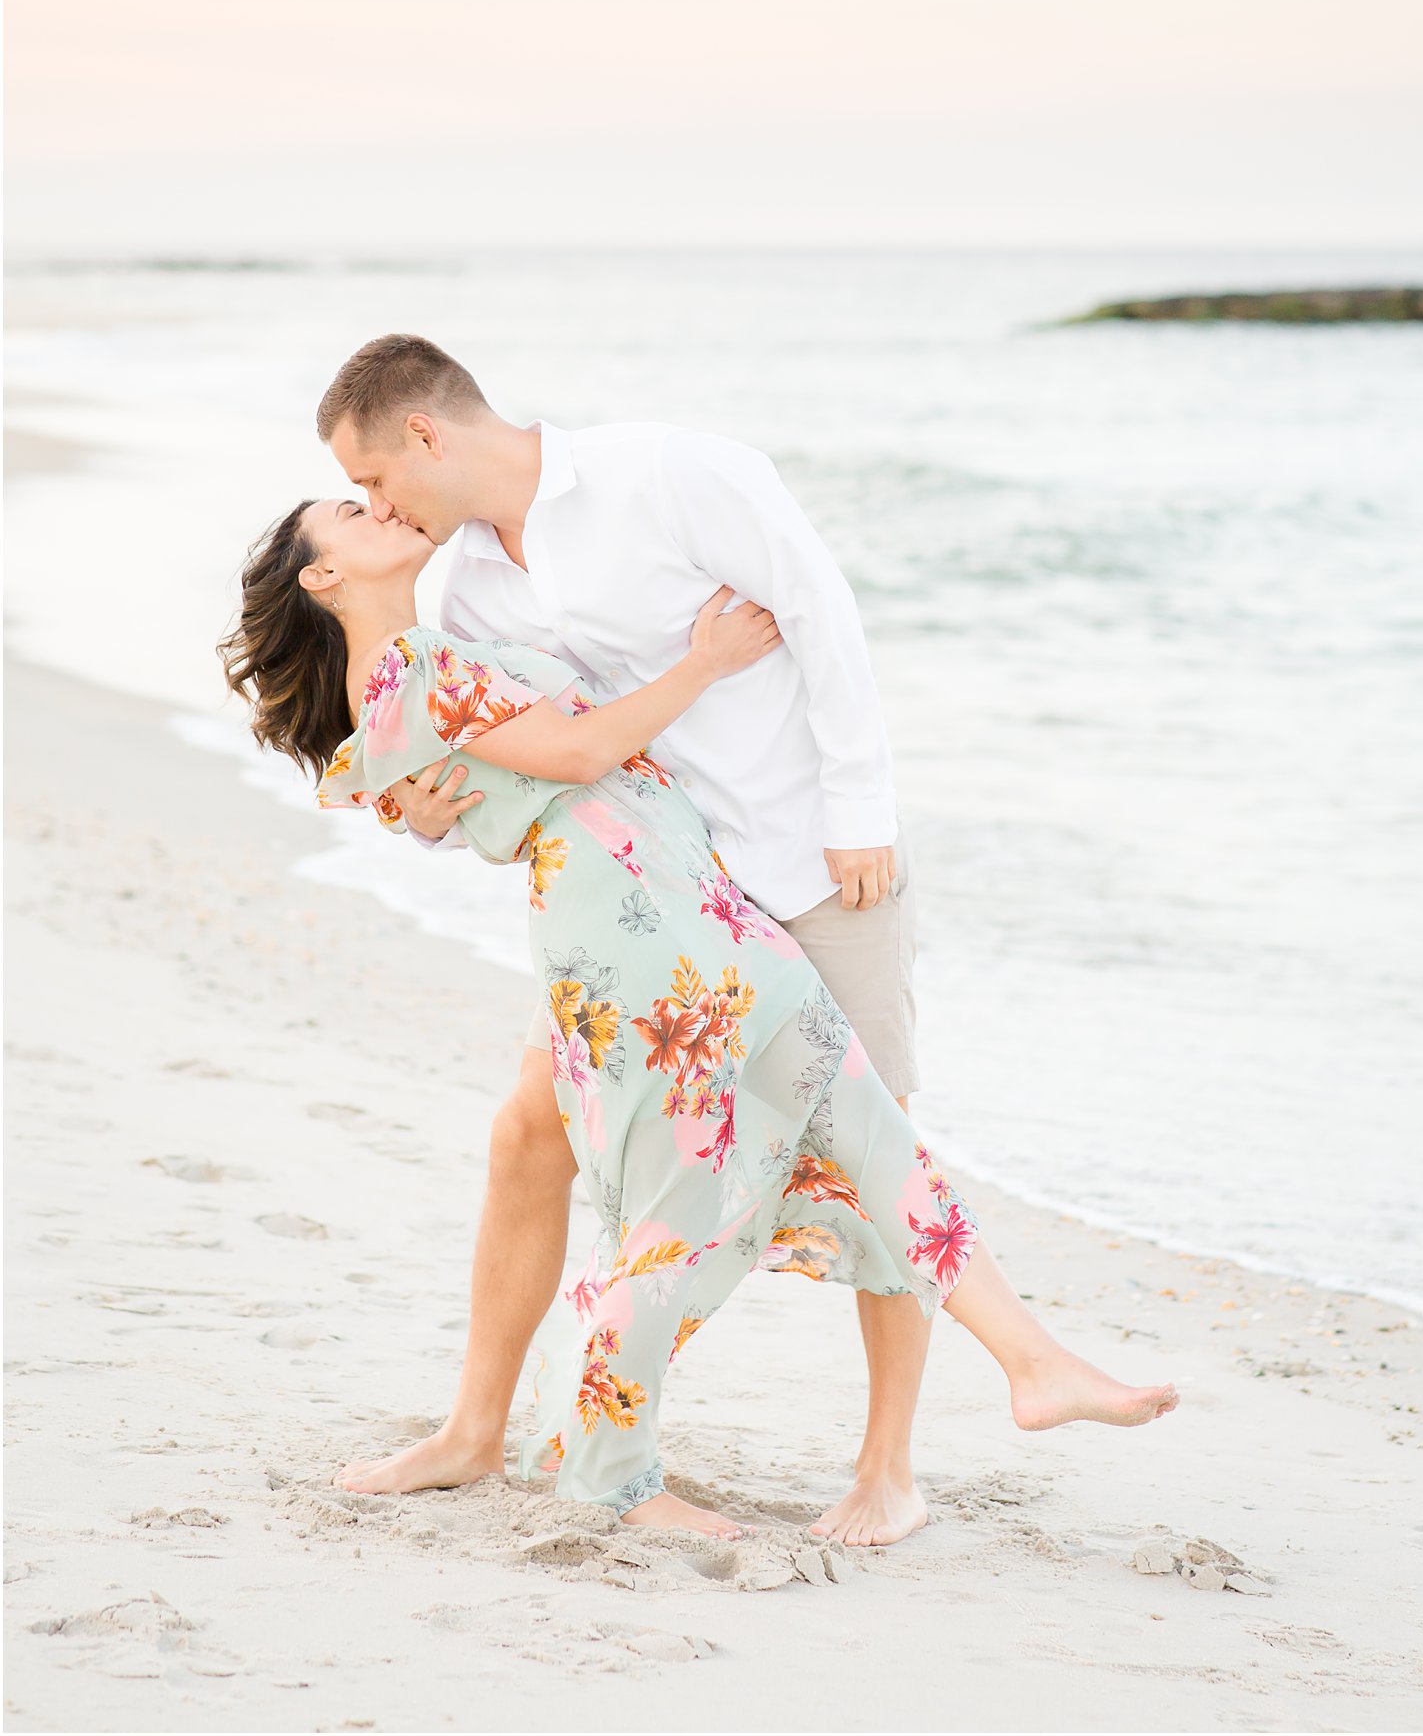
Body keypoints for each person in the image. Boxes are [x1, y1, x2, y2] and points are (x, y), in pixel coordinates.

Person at [219, 493, 1179, 1536]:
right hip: (633, 939)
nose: (381, 507)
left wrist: (431, 806)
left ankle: (1032, 1362)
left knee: (868, 1126)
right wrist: (705, 663)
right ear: (323, 576)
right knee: (675, 1217)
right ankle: (609, 1478)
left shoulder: (417, 663)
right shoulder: (415, 670)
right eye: (351, 511)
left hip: (692, 906)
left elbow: (424, 797)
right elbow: (579, 756)